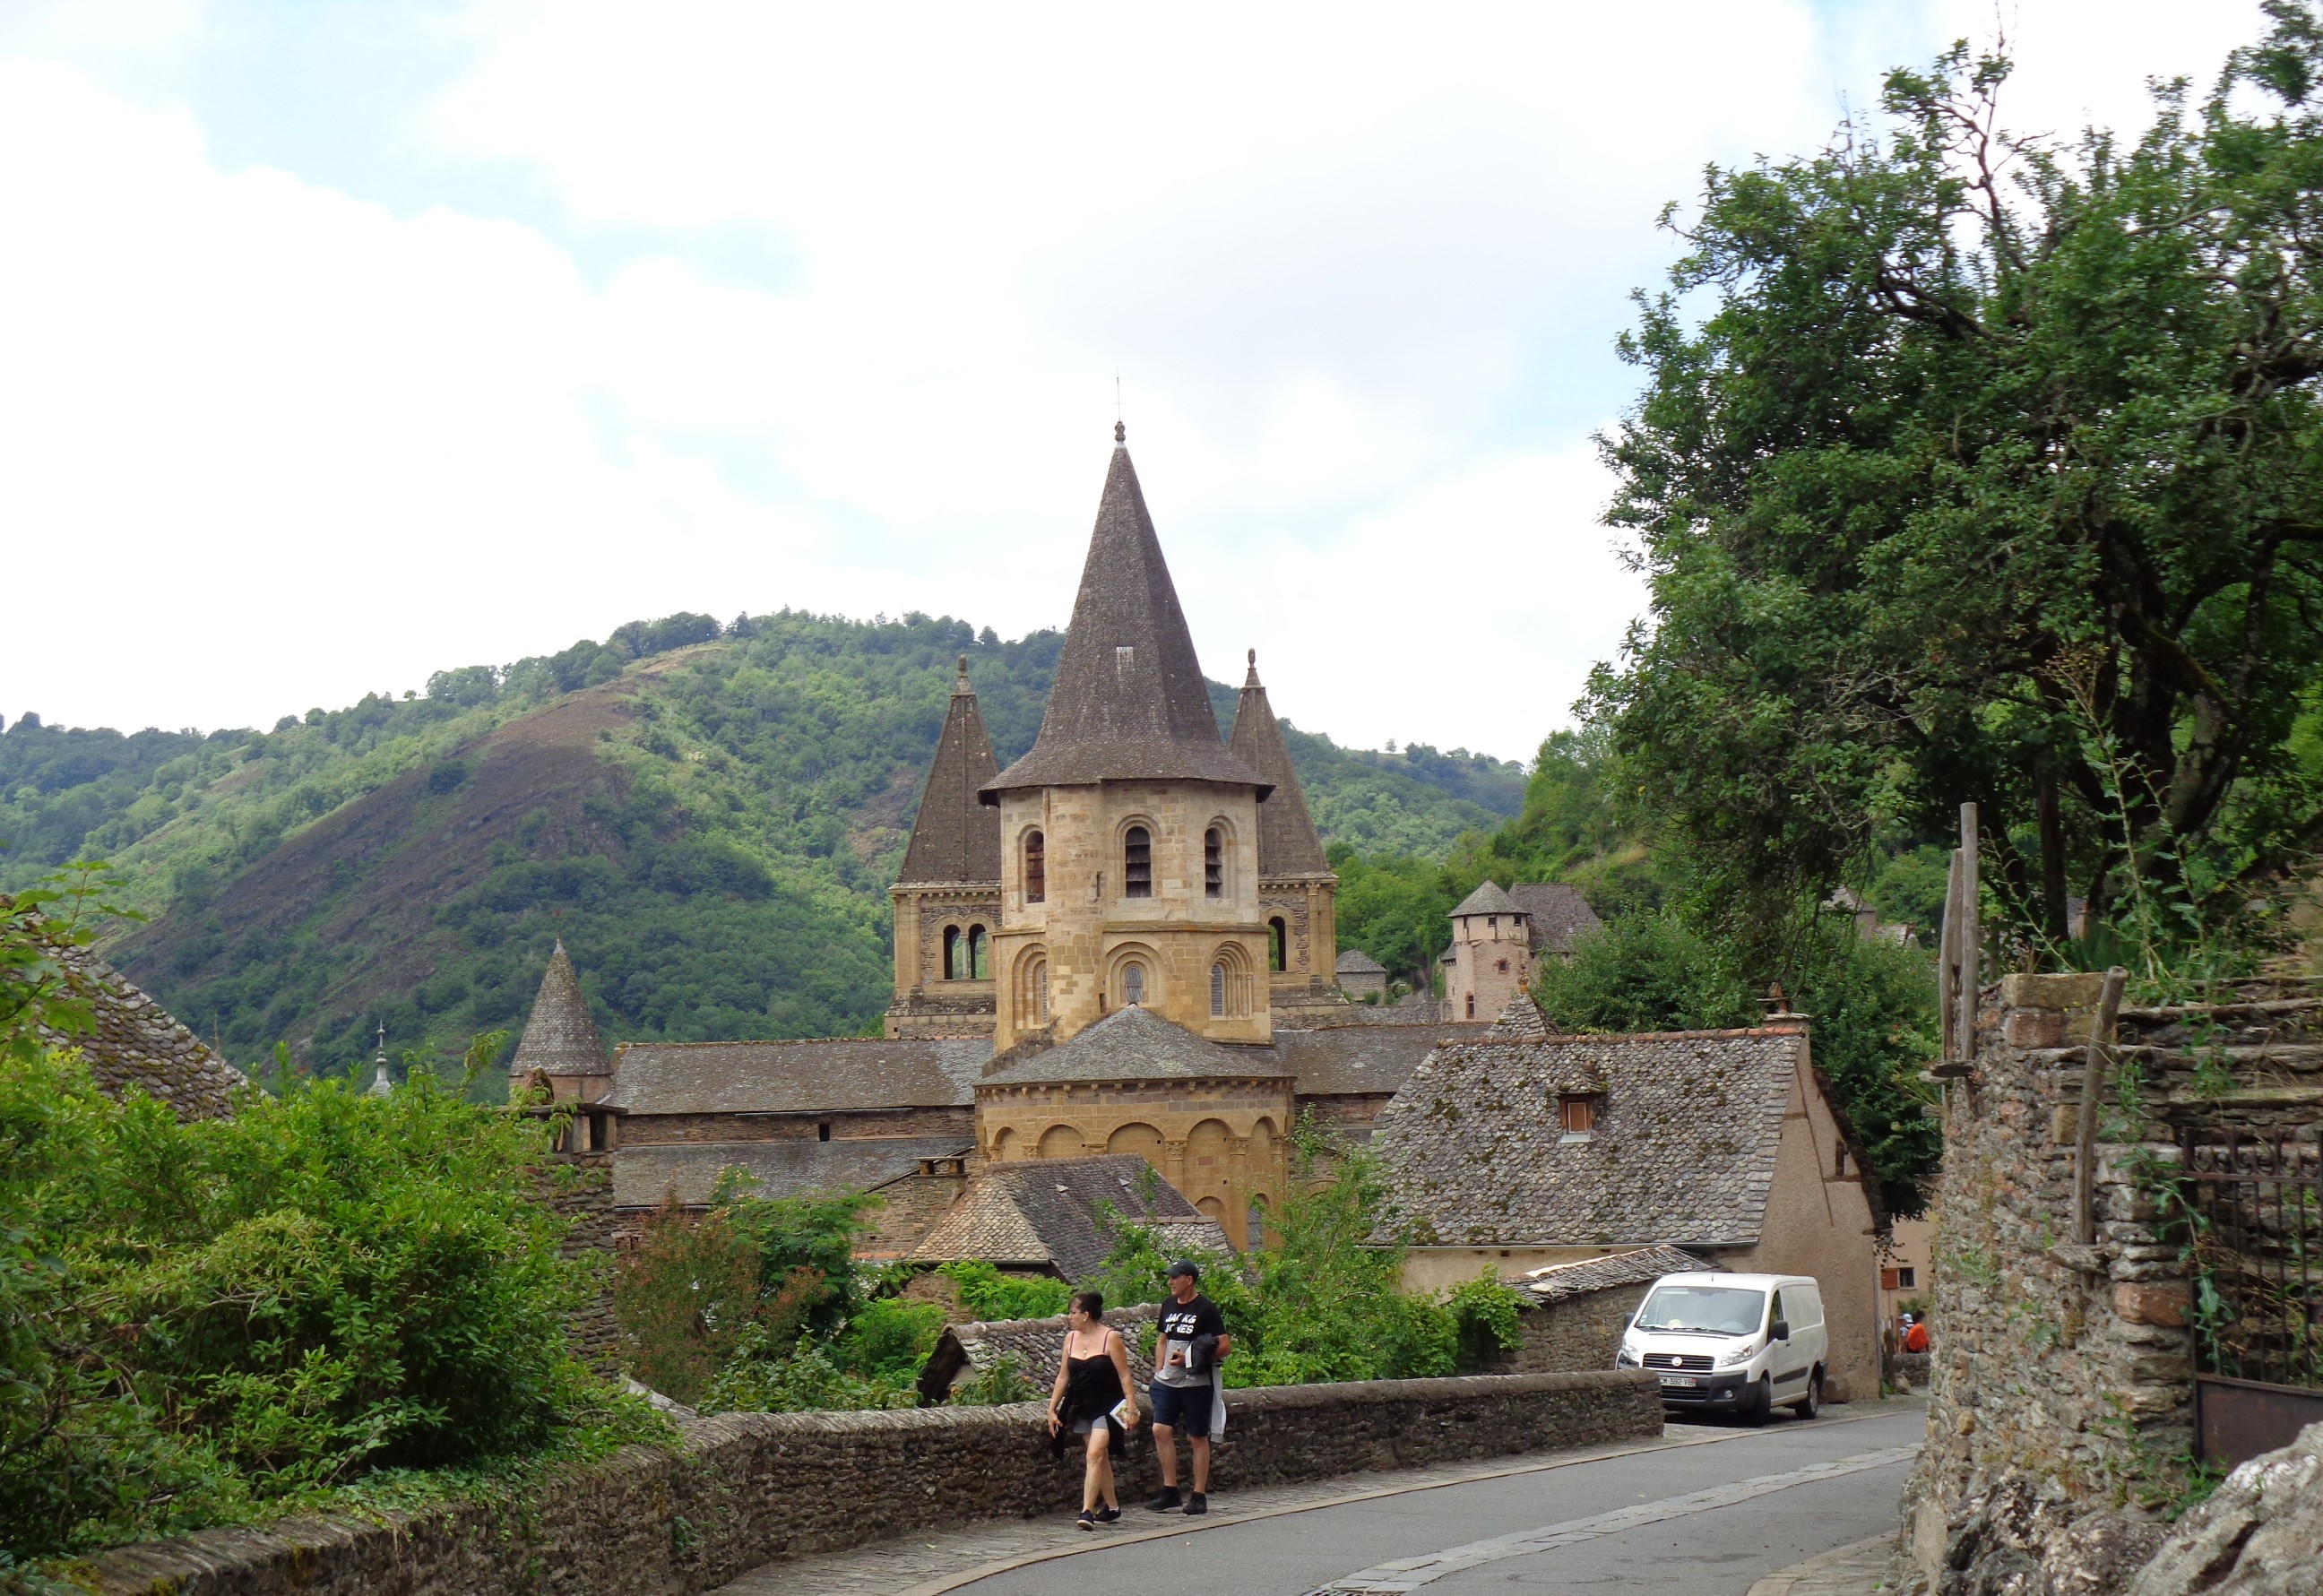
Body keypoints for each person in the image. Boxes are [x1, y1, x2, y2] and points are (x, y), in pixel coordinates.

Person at [1144, 1260, 1230, 1515]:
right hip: (1168, 1381)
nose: (1170, 1282)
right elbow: (1163, 1339)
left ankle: (1198, 1494)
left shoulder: (1206, 1308)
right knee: (1160, 1429)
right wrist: (1159, 1369)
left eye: (1174, 1277)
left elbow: (1224, 1346)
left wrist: (1189, 1358)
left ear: (1188, 1279)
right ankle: (1170, 1490)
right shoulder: (1168, 1305)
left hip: (1195, 1382)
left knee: (1197, 1437)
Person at [1048, 1290, 1137, 1530]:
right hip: (1082, 1403)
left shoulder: (1111, 1338)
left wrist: (1132, 1407)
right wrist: (1052, 1408)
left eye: (1073, 1312)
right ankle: (1113, 1507)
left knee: (1094, 1454)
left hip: (1108, 1405)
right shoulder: (1071, 1339)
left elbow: (1125, 1375)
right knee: (1100, 1458)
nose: (1070, 1317)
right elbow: (1063, 1376)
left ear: (1086, 1315)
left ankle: (1086, 1511)